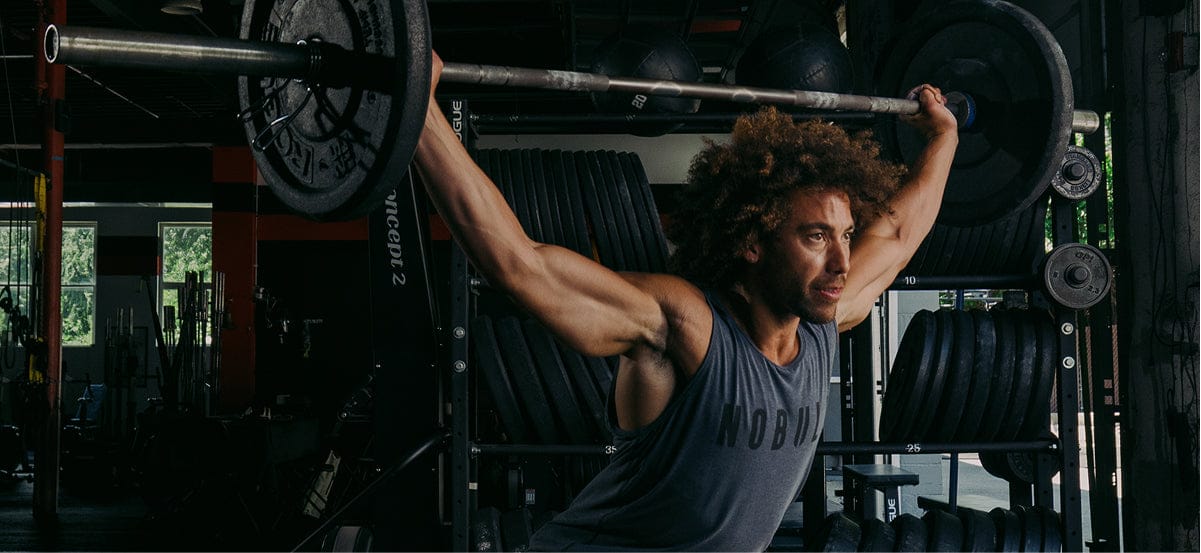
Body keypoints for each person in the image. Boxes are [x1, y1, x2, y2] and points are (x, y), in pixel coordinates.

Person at [415, 51, 958, 551]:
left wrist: (943, 139)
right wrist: (420, 112)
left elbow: (895, 235)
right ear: (752, 240)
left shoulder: (821, 323)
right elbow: (520, 265)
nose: (842, 260)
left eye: (845, 234)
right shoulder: (689, 326)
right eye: (816, 237)